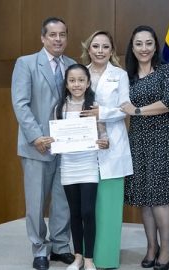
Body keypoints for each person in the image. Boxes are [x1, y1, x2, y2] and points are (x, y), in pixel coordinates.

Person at [11, 17, 76, 270]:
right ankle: (39, 249)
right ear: (43, 38)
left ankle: (60, 246)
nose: (58, 39)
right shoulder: (26, 63)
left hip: (67, 146)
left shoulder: (72, 65)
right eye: (52, 35)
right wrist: (36, 136)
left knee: (63, 200)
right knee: (36, 202)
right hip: (37, 144)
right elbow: (20, 103)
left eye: (62, 34)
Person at [120, 25, 169, 270]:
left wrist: (136, 110)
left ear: (155, 45)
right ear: (132, 47)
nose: (144, 48)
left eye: (148, 43)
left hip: (162, 140)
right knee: (144, 200)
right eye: (139, 43)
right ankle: (151, 247)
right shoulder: (128, 75)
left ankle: (166, 248)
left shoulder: (166, 70)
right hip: (137, 140)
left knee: (159, 199)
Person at [80, 30, 133, 269]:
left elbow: (125, 109)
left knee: (109, 207)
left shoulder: (120, 75)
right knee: (86, 207)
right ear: (88, 49)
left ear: (112, 50)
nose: (100, 51)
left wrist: (102, 112)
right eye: (95, 46)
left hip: (113, 146)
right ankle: (85, 257)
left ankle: (107, 258)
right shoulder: (80, 73)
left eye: (105, 47)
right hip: (84, 147)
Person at [53, 64, 109, 270]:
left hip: (88, 166)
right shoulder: (60, 108)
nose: (77, 84)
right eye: (72, 80)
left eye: (81, 80)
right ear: (66, 84)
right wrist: (54, 141)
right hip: (68, 167)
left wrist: (104, 141)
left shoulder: (94, 105)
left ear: (87, 83)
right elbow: (57, 136)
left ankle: (89, 259)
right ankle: (77, 257)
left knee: (87, 211)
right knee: (74, 212)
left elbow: (103, 134)